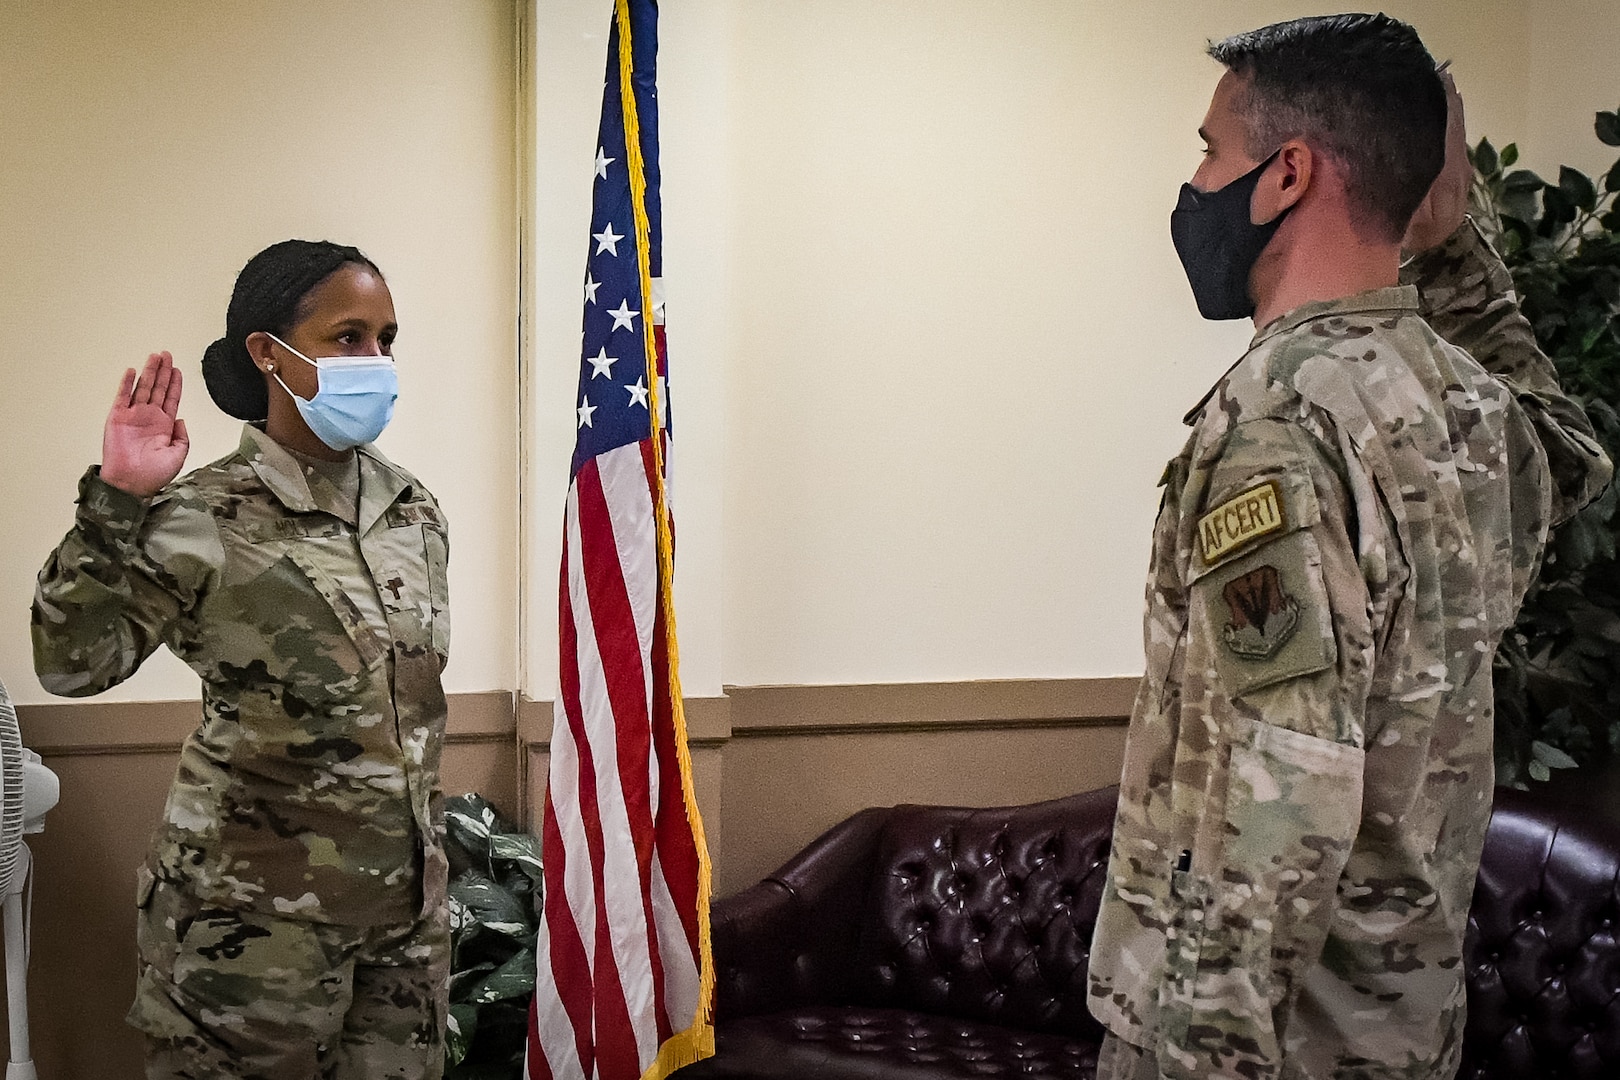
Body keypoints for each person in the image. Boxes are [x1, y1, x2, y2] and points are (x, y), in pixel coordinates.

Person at [1087, 14, 1611, 1080]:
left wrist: (1206, 1058)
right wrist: (1453, 247)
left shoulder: (1280, 421)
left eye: (1210, 151)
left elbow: (1277, 801)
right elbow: (1569, 448)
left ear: (1286, 174)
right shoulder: (1469, 406)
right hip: (1400, 1032)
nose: (1195, 184)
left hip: (1265, 1046)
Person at [32, 240, 453, 1080]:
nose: (377, 361)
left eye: (386, 339)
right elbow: (71, 665)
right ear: (269, 352)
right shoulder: (200, 516)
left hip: (403, 924)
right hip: (253, 932)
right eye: (348, 337)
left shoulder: (413, 509)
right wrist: (116, 500)